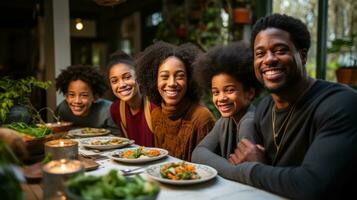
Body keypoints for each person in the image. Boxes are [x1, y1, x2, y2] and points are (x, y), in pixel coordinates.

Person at [227, 13, 357, 199]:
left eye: (280, 50)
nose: (269, 59)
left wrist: (252, 169)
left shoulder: (341, 104)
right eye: (260, 53)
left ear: (302, 56)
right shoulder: (264, 107)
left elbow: (310, 185)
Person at [191, 42, 262, 180]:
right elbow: (198, 153)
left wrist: (231, 170)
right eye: (215, 92)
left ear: (250, 93)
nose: (221, 98)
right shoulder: (225, 121)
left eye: (230, 90)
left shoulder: (249, 121)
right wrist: (233, 170)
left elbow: (247, 169)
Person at [136, 41, 215, 161]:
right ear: (154, 80)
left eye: (179, 76)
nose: (172, 83)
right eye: (164, 76)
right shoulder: (156, 115)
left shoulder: (201, 118)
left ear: (190, 80)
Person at [107, 50, 155, 146]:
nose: (121, 85)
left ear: (139, 77)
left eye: (127, 77)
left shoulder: (154, 108)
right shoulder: (116, 109)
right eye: (114, 81)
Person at [55, 65, 118, 134]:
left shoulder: (109, 110)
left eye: (84, 95)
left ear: (95, 97)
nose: (77, 101)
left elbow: (117, 138)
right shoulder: (62, 110)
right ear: (66, 96)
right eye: (72, 95)